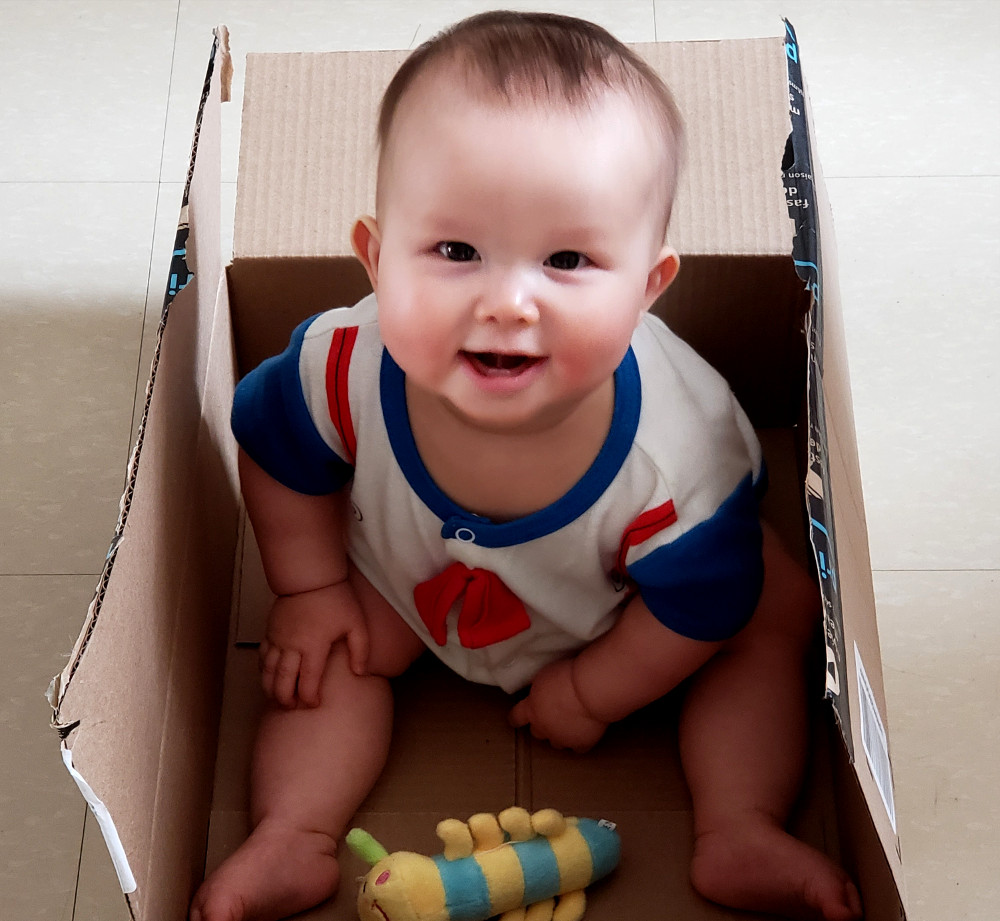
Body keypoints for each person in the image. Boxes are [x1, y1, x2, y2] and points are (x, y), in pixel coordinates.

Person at [190, 11, 862, 921]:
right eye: (456, 251)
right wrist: (309, 588)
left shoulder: (677, 461)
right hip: (401, 585)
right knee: (325, 655)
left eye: (569, 259)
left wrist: (594, 687)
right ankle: (292, 835)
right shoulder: (342, 364)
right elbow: (274, 446)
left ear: (648, 287)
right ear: (377, 260)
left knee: (770, 613)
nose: (509, 301)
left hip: (624, 616)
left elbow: (703, 602)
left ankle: (738, 826)